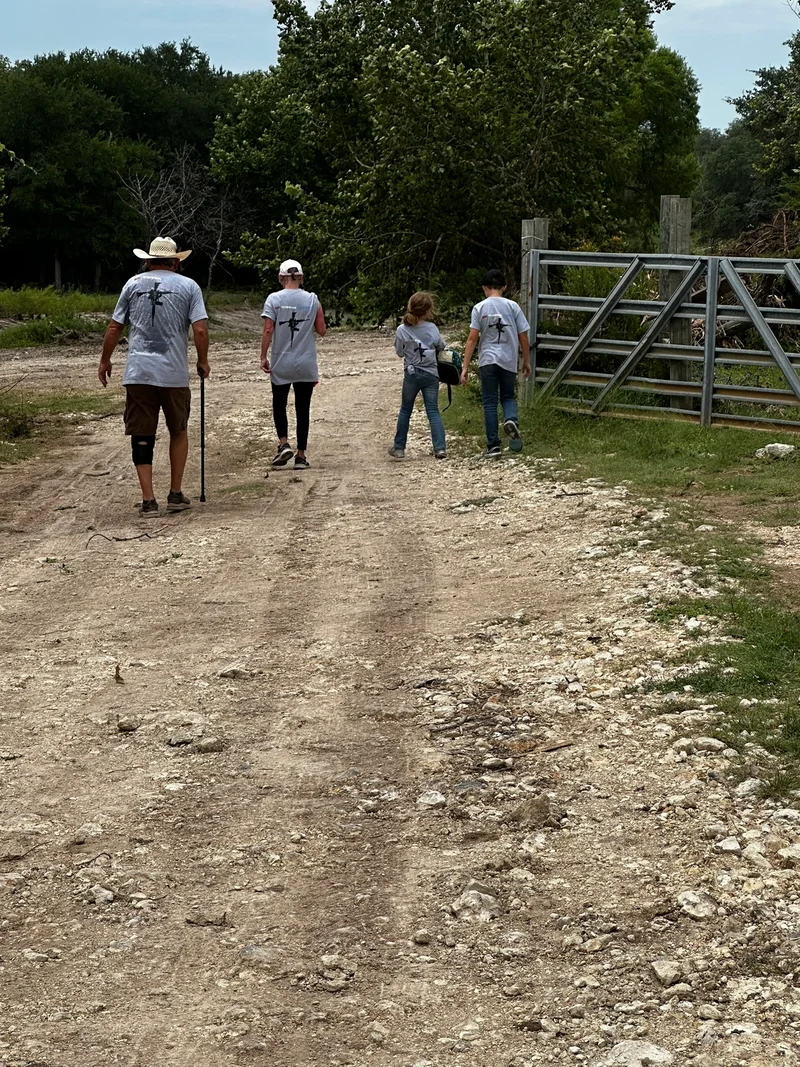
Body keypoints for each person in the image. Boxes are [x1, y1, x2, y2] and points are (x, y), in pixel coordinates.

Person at [98, 236, 210, 516]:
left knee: (142, 433)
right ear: (176, 262)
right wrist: (203, 361)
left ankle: (148, 499)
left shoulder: (133, 284)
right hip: (173, 373)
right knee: (178, 429)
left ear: (148, 261)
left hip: (139, 371)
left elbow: (114, 328)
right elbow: (200, 330)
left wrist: (105, 360)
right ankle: (175, 492)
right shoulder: (189, 287)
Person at [260, 259, 326, 471]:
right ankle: (301, 455)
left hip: (282, 360)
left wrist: (263, 355)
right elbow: (322, 330)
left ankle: (283, 442)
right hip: (305, 362)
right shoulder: (313, 299)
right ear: (301, 277)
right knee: (302, 408)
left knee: (279, 403)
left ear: (281, 277)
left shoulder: (274, 299)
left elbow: (268, 330)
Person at [459, 269, 531, 457]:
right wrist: (526, 361)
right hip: (508, 359)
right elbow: (523, 336)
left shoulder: (479, 308)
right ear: (504, 287)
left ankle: (493, 446)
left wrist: (465, 366)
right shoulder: (513, 307)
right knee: (508, 396)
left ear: (484, 288)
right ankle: (511, 420)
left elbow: (472, 339)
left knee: (490, 402)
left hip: (487, 360)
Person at [388, 291, 447, 460]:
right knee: (433, 410)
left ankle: (399, 447)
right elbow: (441, 346)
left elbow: (400, 352)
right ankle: (440, 447)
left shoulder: (402, 330)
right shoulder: (432, 328)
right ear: (428, 311)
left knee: (406, 409)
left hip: (412, 374)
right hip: (431, 374)